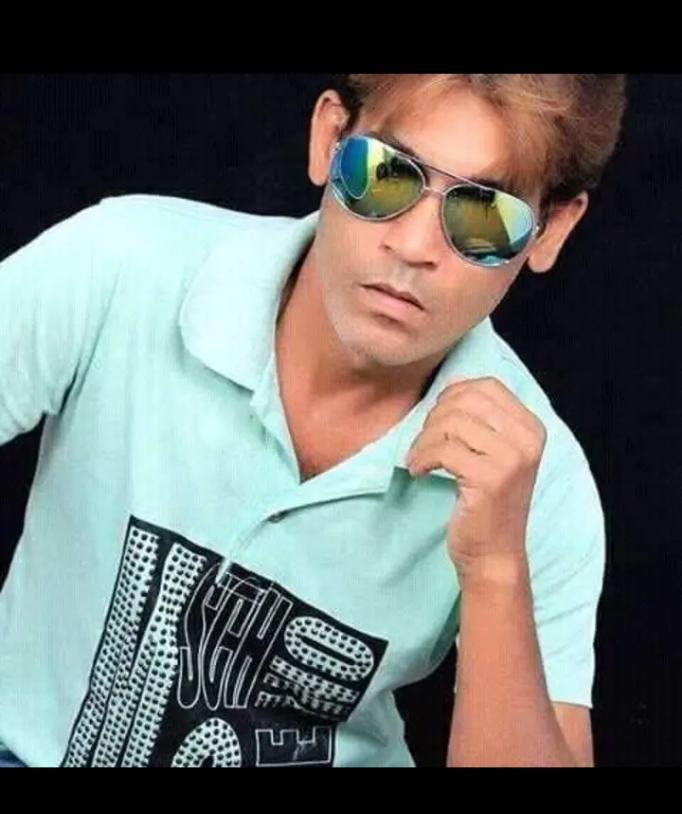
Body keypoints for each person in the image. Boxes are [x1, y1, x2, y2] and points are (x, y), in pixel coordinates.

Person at [0, 73, 627, 767]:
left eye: (484, 215)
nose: (414, 246)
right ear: (330, 139)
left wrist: (495, 568)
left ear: (551, 229)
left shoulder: (535, 475)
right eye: (385, 174)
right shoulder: (125, 265)